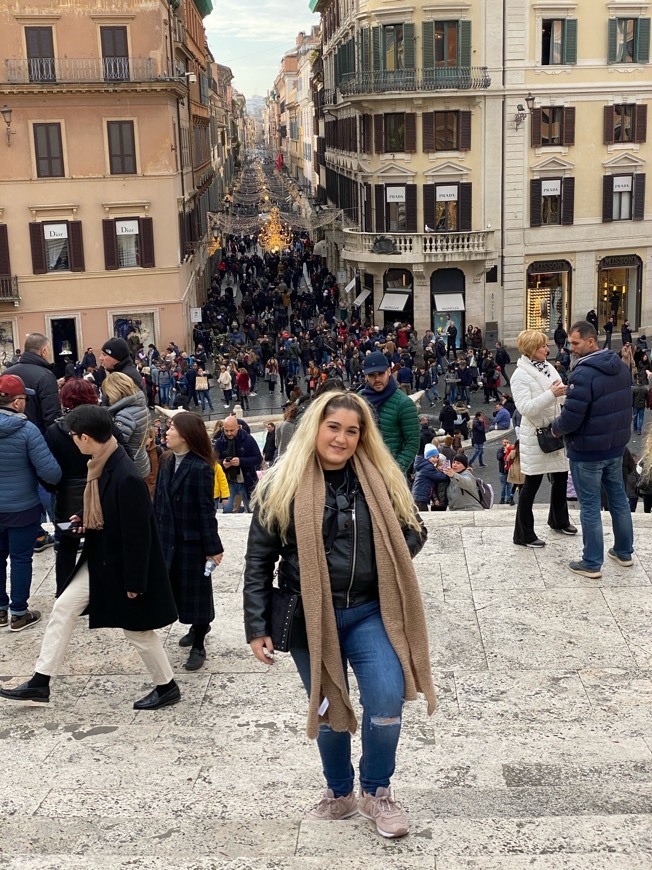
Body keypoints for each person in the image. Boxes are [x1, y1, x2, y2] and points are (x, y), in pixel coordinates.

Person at [243, 391, 435, 838]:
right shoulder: (281, 486)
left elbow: (415, 531)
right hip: (311, 619)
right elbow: (258, 562)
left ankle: (376, 790)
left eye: (353, 430)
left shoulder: (381, 480)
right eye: (334, 427)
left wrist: (386, 560)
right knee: (329, 710)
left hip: (371, 612)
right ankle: (340, 792)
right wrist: (256, 626)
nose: (342, 438)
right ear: (315, 428)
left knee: (386, 700)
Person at [0, 405, 180, 710]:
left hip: (122, 567)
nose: (72, 440)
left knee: (137, 631)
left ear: (86, 437)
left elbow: (140, 537)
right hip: (101, 559)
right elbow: (107, 510)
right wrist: (85, 518)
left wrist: (135, 582)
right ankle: (40, 682)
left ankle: (167, 687)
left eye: (74, 435)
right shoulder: (101, 462)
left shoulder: (125, 476)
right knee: (63, 608)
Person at [551, 321, 634, 578]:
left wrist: (555, 428)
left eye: (575, 343)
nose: (570, 348)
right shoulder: (621, 367)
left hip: (587, 450)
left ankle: (591, 562)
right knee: (618, 498)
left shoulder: (583, 374)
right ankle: (623, 552)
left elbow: (571, 418)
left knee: (589, 505)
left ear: (590, 341)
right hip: (615, 446)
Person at [153, 412, 224, 672]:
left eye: (171, 428)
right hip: (168, 539)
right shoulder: (166, 460)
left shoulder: (202, 467)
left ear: (185, 434)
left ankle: (200, 641)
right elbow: (158, 501)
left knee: (198, 596)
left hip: (192, 542)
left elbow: (206, 511)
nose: (166, 432)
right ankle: (195, 628)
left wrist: (213, 549)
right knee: (176, 591)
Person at [0, 375, 61, 631]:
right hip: (22, 508)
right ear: (15, 403)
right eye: (24, 399)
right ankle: (19, 612)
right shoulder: (27, 431)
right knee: (21, 558)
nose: (26, 403)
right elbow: (51, 473)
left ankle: (0, 611)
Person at [509, 330, 575, 548]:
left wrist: (567, 392)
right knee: (531, 485)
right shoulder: (519, 375)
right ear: (530, 350)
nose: (547, 349)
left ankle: (559, 520)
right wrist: (552, 395)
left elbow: (559, 395)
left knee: (561, 478)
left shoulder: (548, 367)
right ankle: (523, 534)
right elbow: (525, 408)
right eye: (542, 347)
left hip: (555, 430)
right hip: (536, 434)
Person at [45, 378, 101, 594]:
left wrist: (54, 487)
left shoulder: (54, 431)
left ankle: (63, 592)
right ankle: (99, 592)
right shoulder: (102, 424)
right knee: (99, 544)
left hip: (66, 496)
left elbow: (47, 466)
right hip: (98, 492)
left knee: (67, 547)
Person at [359, 352, 419, 474]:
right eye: (372, 375)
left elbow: (412, 443)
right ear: (365, 376)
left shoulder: (404, 403)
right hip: (361, 471)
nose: (377, 379)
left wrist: (393, 471)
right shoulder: (359, 399)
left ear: (389, 371)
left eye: (381, 374)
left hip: (389, 473)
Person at [103, 372, 150, 478]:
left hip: (130, 466)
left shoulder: (125, 415)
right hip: (141, 460)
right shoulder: (141, 407)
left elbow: (116, 445)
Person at [213, 414, 262, 513]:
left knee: (251, 510)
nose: (229, 433)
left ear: (238, 427)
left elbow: (258, 459)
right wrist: (222, 463)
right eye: (226, 430)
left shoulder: (248, 439)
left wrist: (241, 461)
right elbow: (213, 461)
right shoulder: (220, 442)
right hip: (229, 482)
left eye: (231, 430)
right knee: (227, 511)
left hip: (247, 481)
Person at [412, 444, 447, 510]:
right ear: (427, 457)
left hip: (418, 496)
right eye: (433, 457)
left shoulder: (424, 465)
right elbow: (441, 477)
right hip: (420, 497)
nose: (435, 459)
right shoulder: (428, 467)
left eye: (437, 457)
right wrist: (448, 473)